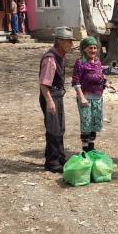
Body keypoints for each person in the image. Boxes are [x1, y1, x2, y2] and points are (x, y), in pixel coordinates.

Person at [39, 27, 74, 173]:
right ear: (59, 42)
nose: (71, 45)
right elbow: (44, 84)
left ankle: (60, 157)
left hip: (57, 95)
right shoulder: (50, 59)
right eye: (68, 42)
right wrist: (49, 101)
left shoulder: (61, 56)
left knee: (60, 128)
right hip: (50, 95)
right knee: (53, 130)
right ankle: (52, 162)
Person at [72, 37, 115, 152]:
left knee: (94, 123)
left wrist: (107, 84)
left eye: (95, 48)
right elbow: (76, 81)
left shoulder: (97, 61)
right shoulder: (80, 62)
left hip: (97, 98)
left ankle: (91, 148)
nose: (93, 50)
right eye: (90, 48)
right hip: (85, 98)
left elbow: (100, 76)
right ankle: (85, 150)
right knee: (86, 123)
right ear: (84, 49)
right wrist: (81, 97)